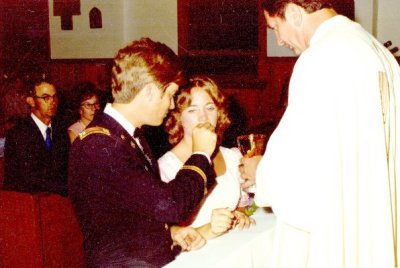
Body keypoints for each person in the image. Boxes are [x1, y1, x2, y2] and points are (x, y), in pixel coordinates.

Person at [239, 0, 400, 267]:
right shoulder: (378, 52)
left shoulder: (319, 58)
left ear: (293, 12)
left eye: (275, 27)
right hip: (376, 220)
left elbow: (300, 168)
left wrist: (260, 171)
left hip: (336, 232)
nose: (278, 40)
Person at [68, 38, 218, 268]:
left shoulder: (126, 136)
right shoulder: (99, 145)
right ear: (149, 91)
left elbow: (133, 210)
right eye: (170, 95)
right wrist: (201, 155)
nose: (170, 105)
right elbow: (171, 205)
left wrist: (169, 233)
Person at [159, 76, 254, 241]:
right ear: (178, 117)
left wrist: (238, 214)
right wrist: (208, 228)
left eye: (210, 108)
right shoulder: (165, 168)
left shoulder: (231, 156)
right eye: (192, 110)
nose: (203, 117)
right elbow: (164, 235)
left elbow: (243, 204)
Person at [4, 79, 69, 196]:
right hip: (26, 201)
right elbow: (30, 178)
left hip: (55, 199)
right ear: (31, 101)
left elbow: (66, 169)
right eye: (46, 98)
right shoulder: (18, 134)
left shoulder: (61, 132)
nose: (53, 102)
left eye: (54, 97)